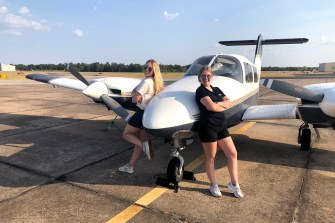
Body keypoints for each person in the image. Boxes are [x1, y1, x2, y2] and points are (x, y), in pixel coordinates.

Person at [195, 65, 244, 198]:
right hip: (208, 127)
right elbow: (212, 107)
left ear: (212, 77)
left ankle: (234, 184)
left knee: (233, 154)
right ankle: (213, 185)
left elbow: (229, 102)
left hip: (221, 125)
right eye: (203, 76)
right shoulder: (200, 91)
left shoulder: (216, 89)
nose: (206, 78)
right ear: (199, 78)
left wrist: (218, 105)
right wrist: (219, 104)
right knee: (211, 158)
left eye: (208, 75)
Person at [118, 59, 164, 174]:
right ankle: (131, 165)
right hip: (149, 114)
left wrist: (134, 92)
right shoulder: (157, 82)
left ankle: (144, 146)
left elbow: (134, 99)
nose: (146, 70)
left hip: (140, 113)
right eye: (145, 67)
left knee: (127, 134)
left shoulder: (146, 82)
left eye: (149, 68)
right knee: (139, 139)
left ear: (154, 71)